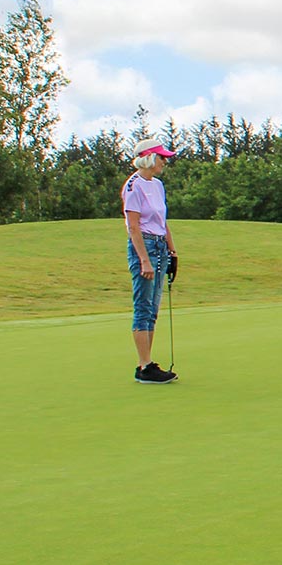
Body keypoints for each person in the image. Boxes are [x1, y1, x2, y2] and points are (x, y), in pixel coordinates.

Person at [123, 137, 180, 382]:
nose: (163, 162)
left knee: (153, 307)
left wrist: (172, 251)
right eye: (160, 157)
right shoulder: (133, 186)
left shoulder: (157, 185)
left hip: (159, 244)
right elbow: (133, 227)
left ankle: (148, 363)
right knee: (143, 306)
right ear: (148, 158)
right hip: (144, 246)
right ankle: (144, 365)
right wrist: (144, 260)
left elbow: (162, 221)